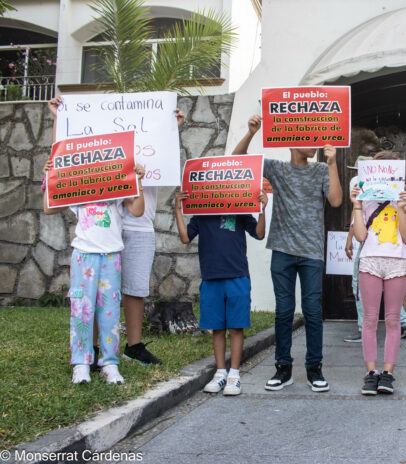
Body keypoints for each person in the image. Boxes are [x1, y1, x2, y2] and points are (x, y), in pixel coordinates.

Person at [233, 115, 342, 392]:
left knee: (312, 313)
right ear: (293, 142)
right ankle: (283, 369)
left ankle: (314, 369)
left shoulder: (320, 170)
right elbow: (237, 160)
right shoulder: (277, 169)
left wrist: (331, 164)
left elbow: (336, 200)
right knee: (283, 312)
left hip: (311, 253)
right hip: (282, 250)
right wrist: (251, 132)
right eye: (310, 138)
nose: (317, 143)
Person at [44, 98, 146, 384]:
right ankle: (80, 363)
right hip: (84, 256)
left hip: (111, 255)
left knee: (110, 312)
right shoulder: (78, 187)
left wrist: (137, 180)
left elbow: (137, 210)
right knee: (81, 310)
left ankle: (110, 363)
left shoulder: (116, 185)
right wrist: (52, 172)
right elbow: (49, 205)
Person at [173, 189, 267, 395]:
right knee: (217, 328)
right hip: (211, 278)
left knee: (236, 327)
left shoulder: (240, 210)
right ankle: (220, 372)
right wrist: (178, 210)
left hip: (237, 276)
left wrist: (262, 209)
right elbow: (185, 237)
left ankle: (234, 374)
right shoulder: (202, 213)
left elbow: (259, 234)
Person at [121, 108, 185, 365]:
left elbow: (165, 155)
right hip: (108, 224)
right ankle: (93, 349)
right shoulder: (110, 141)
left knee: (135, 289)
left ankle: (133, 347)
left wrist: (173, 128)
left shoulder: (153, 147)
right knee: (103, 292)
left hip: (140, 225)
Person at [350, 151, 406, 395]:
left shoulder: (403, 198)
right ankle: (370, 373)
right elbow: (360, 236)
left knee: (392, 319)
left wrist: (400, 207)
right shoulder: (365, 199)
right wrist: (357, 204)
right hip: (370, 260)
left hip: (396, 261)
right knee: (369, 319)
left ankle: (388, 373)